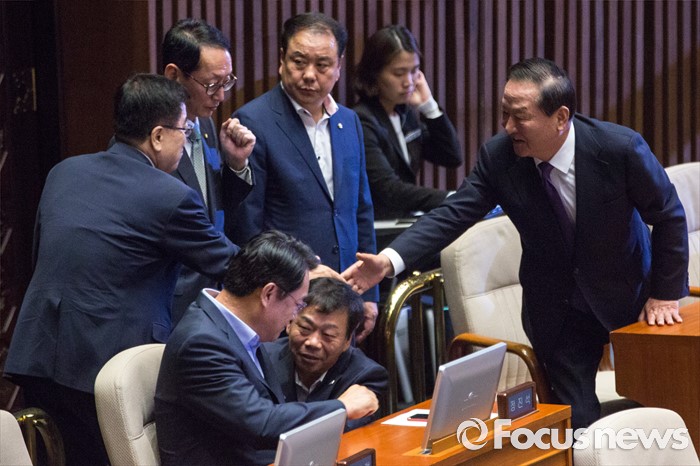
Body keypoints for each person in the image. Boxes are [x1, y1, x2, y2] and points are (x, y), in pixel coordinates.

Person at [342, 58, 689, 430]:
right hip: (559, 310)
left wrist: (664, 294)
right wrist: (389, 261)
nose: (508, 127)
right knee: (577, 423)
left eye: (520, 117)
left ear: (560, 117)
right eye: (504, 113)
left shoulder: (619, 149)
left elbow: (668, 216)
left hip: (629, 296)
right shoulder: (500, 157)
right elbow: (453, 213)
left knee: (663, 405)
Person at [3, 74, 240, 465]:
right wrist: (302, 274)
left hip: (41, 351)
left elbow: (43, 256)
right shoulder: (170, 196)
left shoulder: (64, 172)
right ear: (158, 136)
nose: (186, 141)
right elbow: (233, 265)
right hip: (105, 368)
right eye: (184, 131)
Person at [155, 231, 379, 466]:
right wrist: (342, 407)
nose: (294, 316)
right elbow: (261, 423)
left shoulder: (237, 331)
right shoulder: (202, 342)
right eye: (297, 305)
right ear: (269, 294)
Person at [227, 12, 379, 342]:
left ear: (339, 66)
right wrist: (295, 275)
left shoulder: (349, 122)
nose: (309, 75)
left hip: (344, 297)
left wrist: (369, 294)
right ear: (282, 60)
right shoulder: (255, 120)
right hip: (285, 300)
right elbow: (248, 226)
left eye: (322, 65)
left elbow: (360, 210)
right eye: (299, 62)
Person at [161, 18, 257, 323]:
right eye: (212, 84)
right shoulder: (148, 138)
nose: (221, 96)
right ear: (174, 75)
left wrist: (236, 164)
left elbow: (211, 208)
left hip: (212, 293)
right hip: (172, 300)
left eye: (226, 82)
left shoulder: (204, 123)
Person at [353, 25, 463, 220]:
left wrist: (429, 106)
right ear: (374, 74)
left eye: (414, 71)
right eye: (399, 73)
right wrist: (451, 198)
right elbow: (390, 190)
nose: (409, 82)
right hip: (378, 226)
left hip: (405, 221)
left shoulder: (405, 115)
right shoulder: (362, 120)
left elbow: (451, 156)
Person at [265, 277, 389, 431]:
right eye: (305, 328)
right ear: (289, 323)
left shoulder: (366, 376)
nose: (313, 342)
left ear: (347, 341)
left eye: (328, 335)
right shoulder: (262, 359)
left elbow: (340, 433)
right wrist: (341, 407)